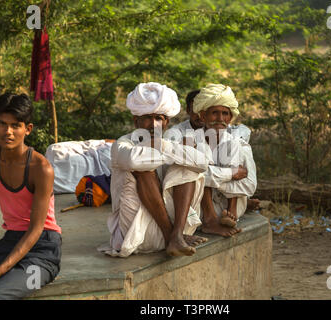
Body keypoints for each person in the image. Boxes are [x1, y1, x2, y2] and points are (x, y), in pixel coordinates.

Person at [98, 82, 210, 258]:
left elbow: (203, 163)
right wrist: (166, 151)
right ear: (136, 121)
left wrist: (162, 146)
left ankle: (176, 235)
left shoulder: (168, 143)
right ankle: (170, 237)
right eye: (147, 118)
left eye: (159, 118)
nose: (153, 124)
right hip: (137, 233)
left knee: (188, 167)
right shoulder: (122, 144)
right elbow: (134, 160)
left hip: (177, 227)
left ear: (166, 122)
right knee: (143, 166)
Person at [0, 93, 62, 300]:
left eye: (15, 125)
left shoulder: (41, 168)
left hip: (43, 249)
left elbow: (36, 229)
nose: (7, 131)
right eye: (2, 124)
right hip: (10, 243)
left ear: (28, 129)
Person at [193, 84, 258, 237]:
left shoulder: (239, 144)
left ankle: (231, 210)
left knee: (232, 146)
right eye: (214, 113)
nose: (220, 119)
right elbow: (193, 177)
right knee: (200, 155)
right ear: (203, 116)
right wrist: (231, 174)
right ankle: (210, 220)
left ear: (230, 117)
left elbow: (249, 186)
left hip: (231, 209)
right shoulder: (192, 141)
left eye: (225, 114)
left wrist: (212, 178)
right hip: (200, 209)